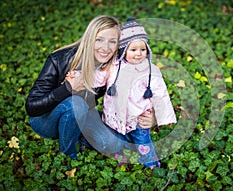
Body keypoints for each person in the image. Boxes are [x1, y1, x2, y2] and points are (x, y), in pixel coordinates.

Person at [25, 15, 154, 160]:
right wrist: (67, 88)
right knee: (77, 104)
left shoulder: (116, 68)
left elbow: (134, 97)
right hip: (46, 120)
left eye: (112, 42)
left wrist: (149, 118)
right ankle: (68, 155)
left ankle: (79, 137)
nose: (105, 48)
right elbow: (32, 107)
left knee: (113, 143)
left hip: (83, 114)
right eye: (99, 40)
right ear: (89, 39)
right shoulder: (59, 59)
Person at [101, 18, 177, 168]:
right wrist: (81, 80)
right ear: (123, 50)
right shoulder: (115, 67)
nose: (138, 54)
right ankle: (125, 157)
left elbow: (160, 94)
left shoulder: (150, 71)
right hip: (118, 117)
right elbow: (99, 77)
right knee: (121, 140)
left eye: (143, 49)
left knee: (143, 143)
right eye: (133, 50)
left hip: (139, 118)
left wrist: (164, 116)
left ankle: (152, 164)